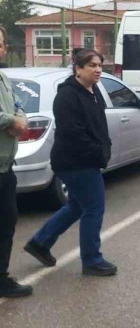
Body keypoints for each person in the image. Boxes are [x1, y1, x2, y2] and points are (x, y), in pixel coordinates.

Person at [25, 50, 117, 276]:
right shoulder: (67, 96)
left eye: (99, 65)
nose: (97, 70)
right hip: (75, 163)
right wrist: (98, 152)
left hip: (86, 160)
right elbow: (73, 134)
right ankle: (92, 260)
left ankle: (40, 242)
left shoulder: (91, 91)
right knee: (94, 208)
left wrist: (105, 146)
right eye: (92, 65)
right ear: (78, 68)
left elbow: (96, 126)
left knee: (77, 206)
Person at [0, 26, 31, 298]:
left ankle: (1, 277)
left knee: (7, 224)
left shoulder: (4, 78)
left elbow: (19, 105)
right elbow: (8, 116)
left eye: (0, 44)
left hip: (5, 168)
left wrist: (19, 117)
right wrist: (11, 120)